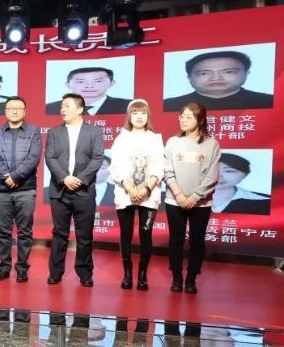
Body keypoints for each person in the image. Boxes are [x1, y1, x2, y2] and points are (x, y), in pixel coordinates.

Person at [45, 93, 105, 287]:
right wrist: (64, 178)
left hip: (84, 191)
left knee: (84, 236)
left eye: (67, 106)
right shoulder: (54, 132)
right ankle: (55, 273)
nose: (62, 109)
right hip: (60, 191)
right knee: (59, 234)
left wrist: (80, 179)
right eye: (62, 106)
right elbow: (50, 158)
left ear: (80, 109)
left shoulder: (94, 132)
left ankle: (85, 273)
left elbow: (97, 158)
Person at [163, 102, 221, 294]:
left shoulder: (212, 144)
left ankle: (191, 279)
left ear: (200, 120)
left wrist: (195, 197)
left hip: (201, 203)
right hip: (175, 200)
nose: (183, 120)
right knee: (175, 240)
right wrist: (179, 195)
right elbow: (167, 171)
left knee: (197, 241)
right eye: (182, 116)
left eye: (189, 117)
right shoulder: (173, 142)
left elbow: (212, 175)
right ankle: (177, 277)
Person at [108, 99, 164, 290]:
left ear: (148, 116)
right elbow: (115, 166)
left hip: (150, 192)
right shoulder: (121, 138)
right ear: (129, 116)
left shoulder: (155, 139)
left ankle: (142, 275)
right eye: (135, 113)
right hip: (125, 193)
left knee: (145, 233)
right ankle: (127, 274)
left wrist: (146, 189)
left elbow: (159, 166)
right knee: (126, 233)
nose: (139, 117)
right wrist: (130, 189)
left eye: (143, 113)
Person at [0, 96, 41, 282]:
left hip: (25, 190)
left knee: (25, 232)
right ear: (5, 111)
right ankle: (4, 267)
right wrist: (6, 176)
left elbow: (33, 157)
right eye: (11, 108)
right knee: (3, 232)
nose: (15, 111)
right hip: (2, 190)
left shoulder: (34, 131)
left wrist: (16, 176)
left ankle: (22, 268)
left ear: (25, 111)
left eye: (19, 108)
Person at [163, 51, 274, 111]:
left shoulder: (268, 101)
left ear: (246, 74)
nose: (216, 78)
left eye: (228, 72)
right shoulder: (169, 105)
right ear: (189, 78)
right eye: (204, 73)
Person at [45, 67, 132, 115]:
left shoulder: (129, 106)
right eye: (80, 82)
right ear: (67, 85)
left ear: (111, 83)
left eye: (98, 81)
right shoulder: (51, 108)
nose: (89, 86)